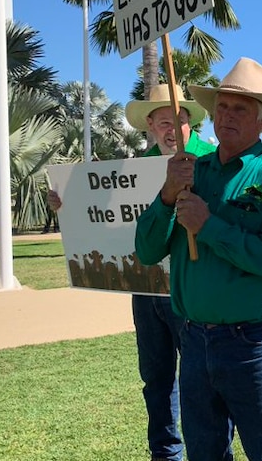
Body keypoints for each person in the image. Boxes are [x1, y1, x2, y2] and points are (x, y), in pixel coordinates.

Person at [135, 57, 262, 461]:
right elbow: (147, 250)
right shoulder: (189, 171)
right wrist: (167, 198)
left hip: (253, 344)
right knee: (205, 452)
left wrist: (209, 226)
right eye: (222, 106)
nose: (226, 115)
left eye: (240, 108)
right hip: (193, 341)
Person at [48, 83, 214, 461]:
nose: (173, 129)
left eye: (181, 121)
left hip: (193, 291)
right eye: (164, 122)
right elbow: (99, 213)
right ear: (150, 128)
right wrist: (66, 202)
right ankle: (165, 452)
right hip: (147, 291)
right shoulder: (135, 169)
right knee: (155, 379)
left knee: (199, 380)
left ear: (192, 125)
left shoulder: (212, 161)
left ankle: (206, 452)